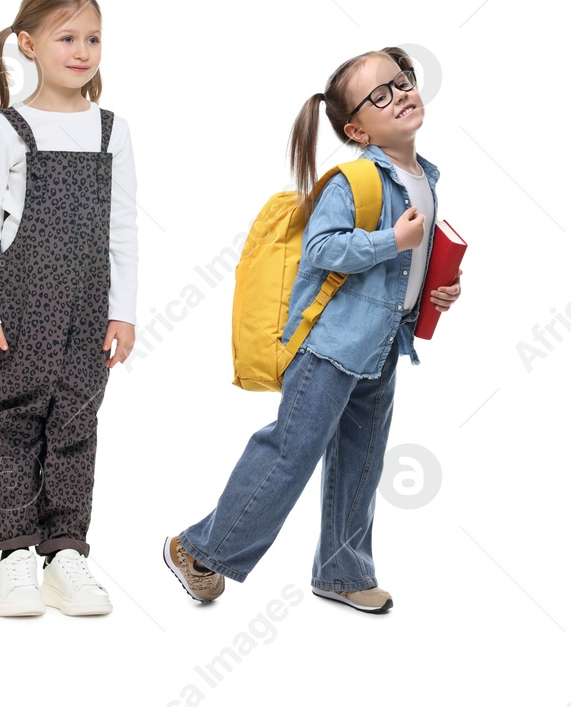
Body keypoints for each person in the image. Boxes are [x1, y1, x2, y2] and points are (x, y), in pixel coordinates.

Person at [163, 46, 463, 614]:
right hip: (331, 346)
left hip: (382, 344)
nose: (400, 94)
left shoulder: (425, 177)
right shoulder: (353, 181)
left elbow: (409, 264)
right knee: (291, 452)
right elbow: (323, 252)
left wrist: (437, 290)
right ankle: (198, 549)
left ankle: (342, 572)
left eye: (402, 81)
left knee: (362, 459)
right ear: (357, 130)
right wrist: (390, 241)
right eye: (380, 94)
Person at [0, 0, 138, 617]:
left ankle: (66, 552)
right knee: (19, 417)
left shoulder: (111, 131)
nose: (82, 50)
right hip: (22, 297)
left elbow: (123, 227)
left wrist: (124, 308)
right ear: (28, 44)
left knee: (76, 418)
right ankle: (15, 556)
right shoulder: (8, 129)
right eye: (67, 37)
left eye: (92, 38)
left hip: (92, 300)